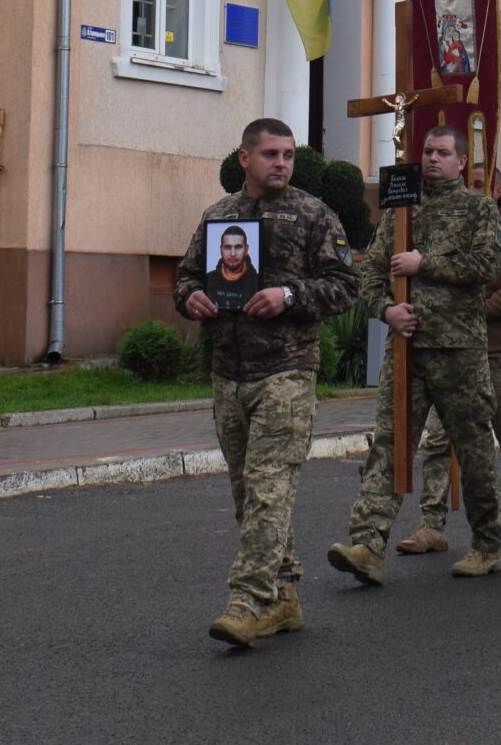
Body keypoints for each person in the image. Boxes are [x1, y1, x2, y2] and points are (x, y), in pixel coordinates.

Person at [174, 118, 356, 648]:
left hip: (287, 371)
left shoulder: (312, 214)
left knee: (268, 489)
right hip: (229, 374)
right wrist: (189, 298)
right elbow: (186, 276)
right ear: (245, 158)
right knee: (248, 494)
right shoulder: (219, 216)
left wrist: (290, 296)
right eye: (271, 154)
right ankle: (284, 596)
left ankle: (247, 601)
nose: (281, 163)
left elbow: (346, 284)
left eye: (288, 155)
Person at [328, 125, 501, 586]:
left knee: (472, 449)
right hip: (406, 350)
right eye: (427, 151)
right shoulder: (401, 208)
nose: (432, 159)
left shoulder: (479, 208)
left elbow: (487, 266)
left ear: (461, 162)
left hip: (458, 351)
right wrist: (387, 310)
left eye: (442, 152)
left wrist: (423, 263)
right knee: (390, 444)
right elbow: (371, 273)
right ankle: (368, 544)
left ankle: (486, 544)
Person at [401, 159, 501, 554]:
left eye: (481, 183)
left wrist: (476, 311)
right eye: (471, 183)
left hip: (499, 347)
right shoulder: (455, 226)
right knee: (439, 437)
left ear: (496, 188)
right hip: (452, 349)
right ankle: (431, 523)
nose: (474, 189)